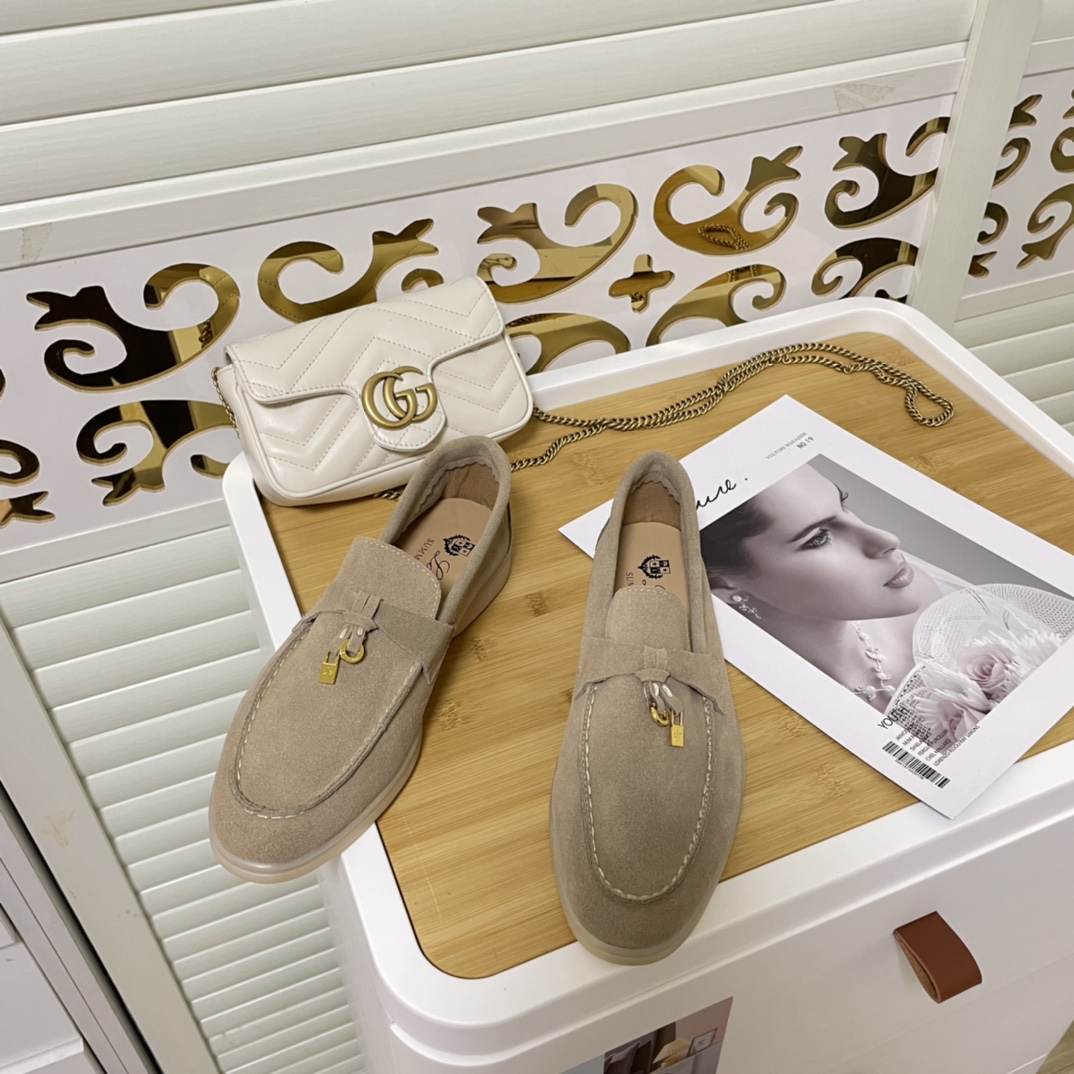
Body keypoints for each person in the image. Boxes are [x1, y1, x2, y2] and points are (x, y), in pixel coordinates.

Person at [699, 463, 1074, 748]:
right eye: (817, 538)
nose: (887, 539)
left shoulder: (934, 617)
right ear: (725, 587)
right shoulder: (751, 717)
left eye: (844, 505)